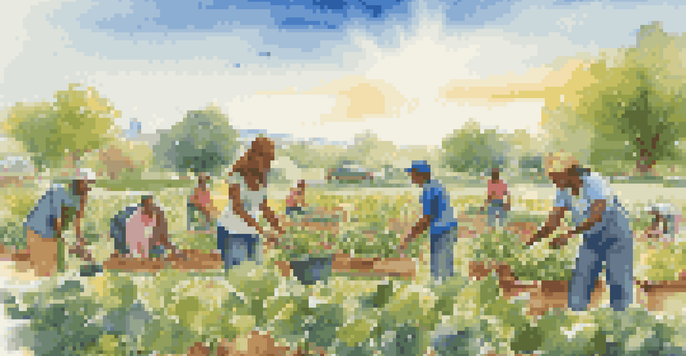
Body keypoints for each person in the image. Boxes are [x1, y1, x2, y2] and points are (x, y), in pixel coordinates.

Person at [526, 152, 634, 312]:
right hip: (591, 237)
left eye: (555, 176)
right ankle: (577, 319)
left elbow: (597, 215)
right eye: (551, 177)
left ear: (569, 172)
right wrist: (531, 240)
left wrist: (569, 233)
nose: (553, 181)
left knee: (618, 279)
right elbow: (553, 221)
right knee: (581, 279)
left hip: (616, 235)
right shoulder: (563, 191)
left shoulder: (594, 182)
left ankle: (621, 320)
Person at [216, 137, 286, 270]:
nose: (268, 164)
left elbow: (264, 207)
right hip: (232, 232)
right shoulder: (237, 175)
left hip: (251, 232)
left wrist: (280, 229)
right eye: (266, 159)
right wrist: (263, 231)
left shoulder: (262, 176)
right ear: (255, 155)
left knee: (255, 273)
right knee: (237, 275)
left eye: (270, 160)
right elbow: (237, 208)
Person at [24, 169, 100, 277]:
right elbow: (57, 223)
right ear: (76, 182)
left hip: (54, 233)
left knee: (58, 268)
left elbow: (77, 224)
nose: (88, 188)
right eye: (86, 184)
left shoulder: (81, 199)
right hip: (37, 230)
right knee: (46, 269)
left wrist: (82, 244)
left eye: (90, 185)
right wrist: (72, 247)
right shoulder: (59, 192)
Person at [397, 160, 459, 284]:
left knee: (439, 267)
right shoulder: (436, 185)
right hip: (449, 227)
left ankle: (441, 291)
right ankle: (448, 288)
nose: (411, 177)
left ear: (421, 175)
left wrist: (409, 237)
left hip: (441, 230)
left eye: (413, 174)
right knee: (446, 263)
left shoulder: (429, 190)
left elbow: (427, 218)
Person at [110, 195, 183, 260]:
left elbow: (161, 237)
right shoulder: (135, 219)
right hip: (132, 241)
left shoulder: (154, 216)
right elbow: (137, 240)